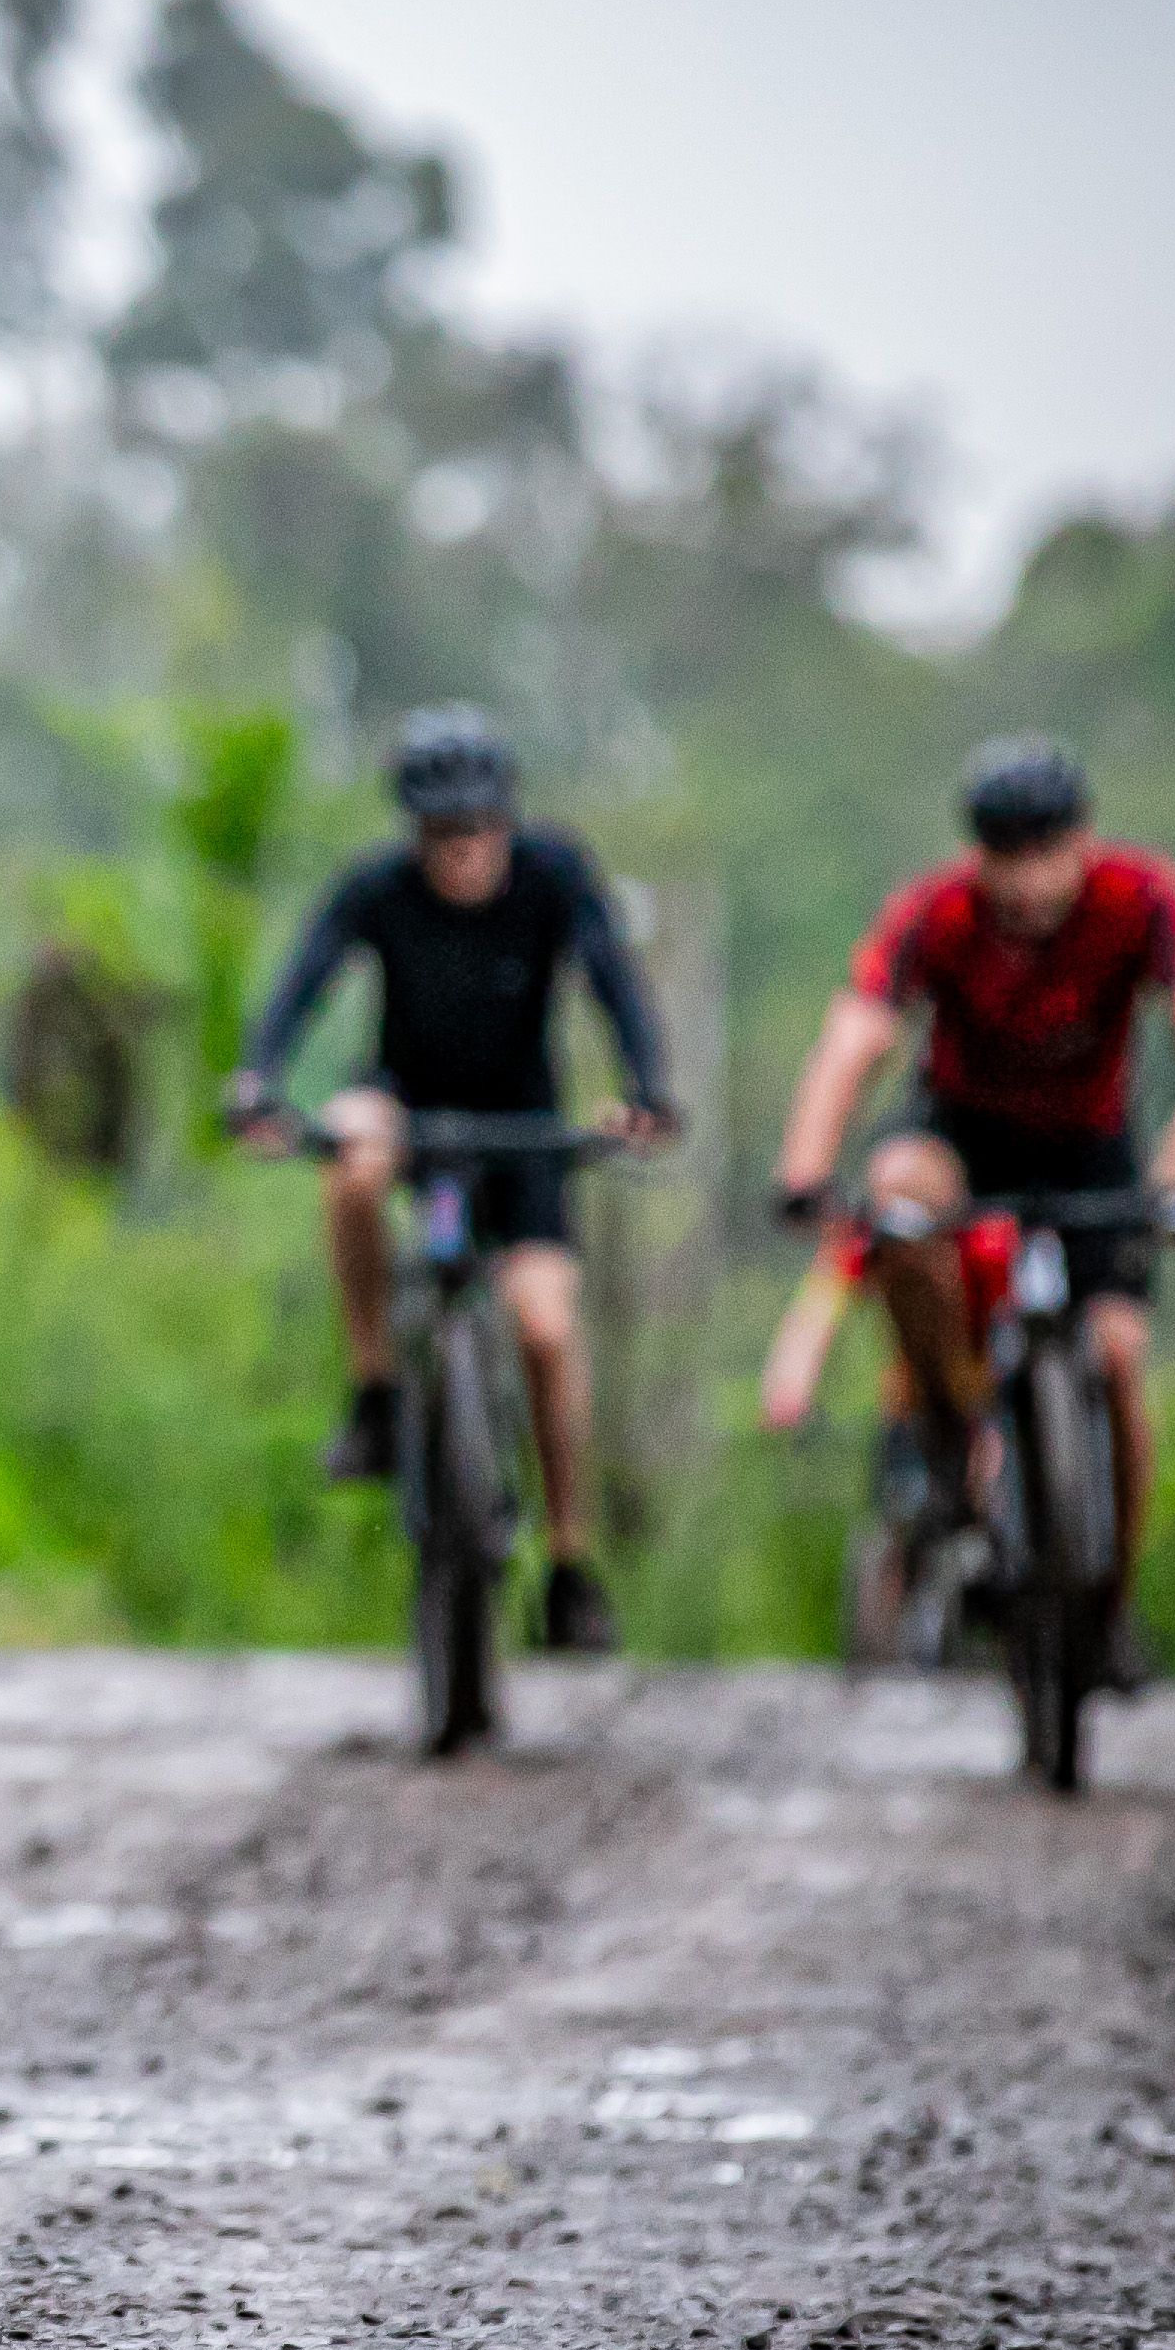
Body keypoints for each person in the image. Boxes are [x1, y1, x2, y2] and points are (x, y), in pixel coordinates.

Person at [223, 705, 674, 1656]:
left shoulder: (556, 876)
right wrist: (258, 1082)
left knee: (546, 1329)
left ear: (507, 821)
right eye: (440, 835)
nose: (461, 853)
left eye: (477, 831)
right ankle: (377, 1391)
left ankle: (568, 1562)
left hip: (524, 1127)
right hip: (408, 1104)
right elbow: (304, 980)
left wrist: (647, 1091)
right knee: (351, 1160)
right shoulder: (377, 889)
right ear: (415, 833)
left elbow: (613, 982)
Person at [766, 736, 1175, 1619]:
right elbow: (859, 1036)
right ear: (976, 855)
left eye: (1045, 853)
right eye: (1005, 857)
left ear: (1083, 841)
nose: (1026, 882)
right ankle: (949, 1421)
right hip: (963, 1132)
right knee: (899, 1196)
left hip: (1089, 1144)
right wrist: (804, 1169)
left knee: (1119, 1359)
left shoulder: (1139, 897)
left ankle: (1111, 1604)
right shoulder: (938, 912)